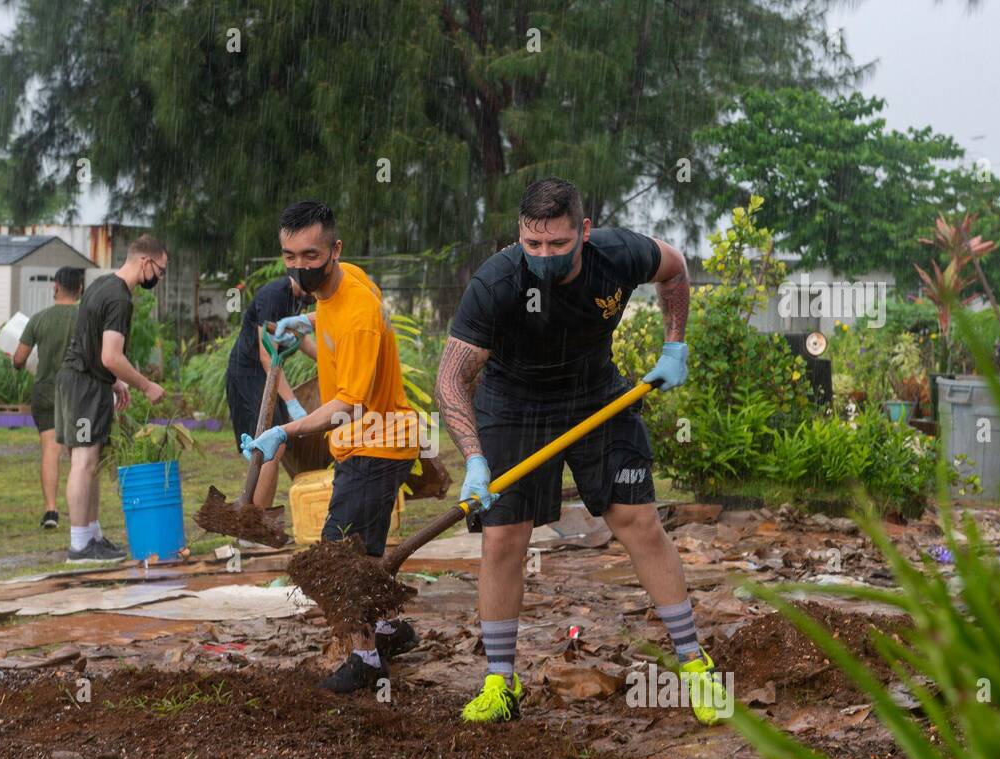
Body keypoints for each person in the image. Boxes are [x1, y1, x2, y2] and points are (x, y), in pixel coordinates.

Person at [436, 176, 723, 725]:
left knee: (637, 520)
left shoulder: (616, 255)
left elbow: (675, 266)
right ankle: (500, 683)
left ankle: (694, 663)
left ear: (584, 232)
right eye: (532, 244)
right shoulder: (495, 283)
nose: (543, 256)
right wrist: (474, 458)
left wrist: (675, 343)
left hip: (595, 394)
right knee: (502, 538)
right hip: (513, 403)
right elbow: (451, 380)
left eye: (558, 244)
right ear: (520, 234)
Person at [243, 200, 421, 691]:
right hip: (372, 443)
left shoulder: (360, 309)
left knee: (332, 559)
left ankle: (366, 658)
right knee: (364, 551)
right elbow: (337, 330)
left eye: (311, 255)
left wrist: (286, 429)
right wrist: (308, 327)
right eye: (289, 255)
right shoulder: (344, 282)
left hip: (373, 445)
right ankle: (388, 629)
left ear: (335, 250)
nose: (299, 267)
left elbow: (349, 406)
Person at [55, 235, 168, 563]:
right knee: (83, 462)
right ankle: (79, 545)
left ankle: (92, 535)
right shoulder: (120, 298)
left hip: (86, 381)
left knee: (91, 464)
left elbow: (92, 343)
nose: (158, 279)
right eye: (159, 272)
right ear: (145, 262)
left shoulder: (102, 284)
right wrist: (146, 385)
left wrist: (115, 381)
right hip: (83, 384)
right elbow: (110, 355)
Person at [225, 274, 314, 509]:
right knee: (270, 445)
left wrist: (332, 361)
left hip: (266, 376)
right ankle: (254, 523)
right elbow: (267, 356)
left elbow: (300, 338)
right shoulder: (274, 295)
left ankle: (255, 517)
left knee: (275, 444)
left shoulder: (303, 296)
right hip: (247, 374)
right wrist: (293, 404)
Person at [13, 266, 84, 530]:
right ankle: (80, 513)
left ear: (55, 287)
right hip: (77, 392)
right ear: (80, 289)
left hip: (45, 392)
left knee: (50, 450)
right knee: (78, 453)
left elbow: (20, 359)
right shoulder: (86, 319)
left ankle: (51, 511)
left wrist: (17, 364)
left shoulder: (38, 319)